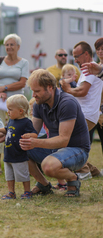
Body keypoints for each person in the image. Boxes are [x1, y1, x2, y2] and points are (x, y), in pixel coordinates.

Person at [19, 69, 90, 197]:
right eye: (32, 91)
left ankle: (72, 178)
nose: (33, 95)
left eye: (37, 91)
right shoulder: (39, 104)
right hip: (55, 149)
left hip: (77, 150)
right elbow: (32, 131)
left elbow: (63, 140)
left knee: (48, 166)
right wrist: (6, 132)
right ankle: (44, 185)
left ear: (50, 87)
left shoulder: (67, 103)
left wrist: (35, 142)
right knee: (19, 147)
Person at [60, 41, 103, 180]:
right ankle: (93, 170)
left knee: (69, 142)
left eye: (77, 56)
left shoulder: (90, 69)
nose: (76, 60)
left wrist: (67, 89)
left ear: (86, 54)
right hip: (86, 114)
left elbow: (82, 91)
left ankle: (83, 171)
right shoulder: (86, 70)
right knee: (72, 142)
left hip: (87, 115)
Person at [0, 33, 29, 172]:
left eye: (12, 44)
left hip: (16, 100)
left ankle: (18, 157)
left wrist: (4, 87)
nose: (9, 47)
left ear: (18, 46)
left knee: (16, 128)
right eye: (7, 44)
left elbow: (23, 82)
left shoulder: (24, 62)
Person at [0, 95, 37, 199]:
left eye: (10, 109)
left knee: (23, 175)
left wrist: (30, 136)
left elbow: (34, 134)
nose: (8, 112)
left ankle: (27, 191)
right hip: (8, 154)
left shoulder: (26, 122)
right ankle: (11, 192)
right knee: (9, 176)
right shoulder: (11, 120)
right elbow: (7, 129)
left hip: (19, 155)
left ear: (20, 111)